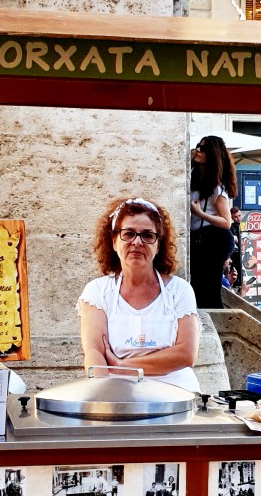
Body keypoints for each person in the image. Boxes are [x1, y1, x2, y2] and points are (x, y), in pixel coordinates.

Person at [78, 196, 201, 391]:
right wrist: (104, 399)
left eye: (147, 235)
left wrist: (120, 366)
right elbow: (94, 353)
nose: (137, 242)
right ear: (114, 240)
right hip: (120, 393)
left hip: (178, 395)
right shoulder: (97, 292)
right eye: (128, 234)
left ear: (158, 244)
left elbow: (186, 354)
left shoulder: (179, 290)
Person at [189, 136, 237, 309]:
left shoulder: (216, 186)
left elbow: (226, 221)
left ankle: (211, 327)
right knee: (198, 287)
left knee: (208, 288)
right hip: (200, 239)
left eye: (203, 148)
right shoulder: (194, 178)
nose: (198, 151)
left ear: (213, 154)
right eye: (198, 147)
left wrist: (200, 213)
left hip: (214, 239)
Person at [229, 206, 242, 287]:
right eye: (235, 217)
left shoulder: (247, 225)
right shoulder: (231, 227)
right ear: (232, 217)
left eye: (239, 216)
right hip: (236, 254)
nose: (238, 218)